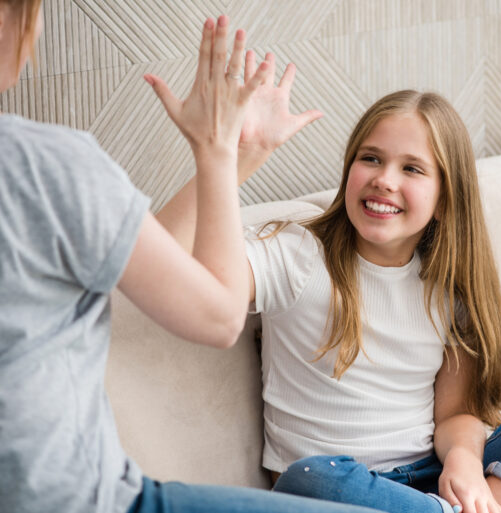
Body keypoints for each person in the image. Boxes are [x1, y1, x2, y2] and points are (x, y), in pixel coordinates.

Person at [158, 86, 501, 513]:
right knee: (309, 480)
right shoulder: (296, 255)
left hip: (431, 478)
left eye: (412, 169)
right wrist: (226, 162)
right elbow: (162, 260)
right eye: (371, 159)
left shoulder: (447, 286)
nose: (385, 178)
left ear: (446, 198)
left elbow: (454, 416)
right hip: (343, 491)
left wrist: (464, 463)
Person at [0, 2, 384, 513]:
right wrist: (215, 149)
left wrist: (234, 158)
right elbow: (219, 316)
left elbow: (127, 265)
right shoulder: (43, 166)